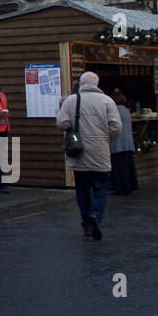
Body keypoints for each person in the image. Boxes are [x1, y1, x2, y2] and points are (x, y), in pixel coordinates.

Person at [57, 71, 121, 240]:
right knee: (102, 187)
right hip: (100, 153)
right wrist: (107, 139)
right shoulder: (107, 101)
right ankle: (95, 214)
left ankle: (86, 223)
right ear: (97, 84)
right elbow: (116, 127)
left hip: (79, 153)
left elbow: (61, 123)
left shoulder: (72, 100)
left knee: (82, 190)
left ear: (81, 83)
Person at [109, 90, 138, 195]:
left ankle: (120, 187)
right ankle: (129, 186)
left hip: (117, 143)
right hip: (128, 143)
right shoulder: (126, 110)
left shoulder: (114, 110)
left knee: (118, 168)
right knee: (128, 167)